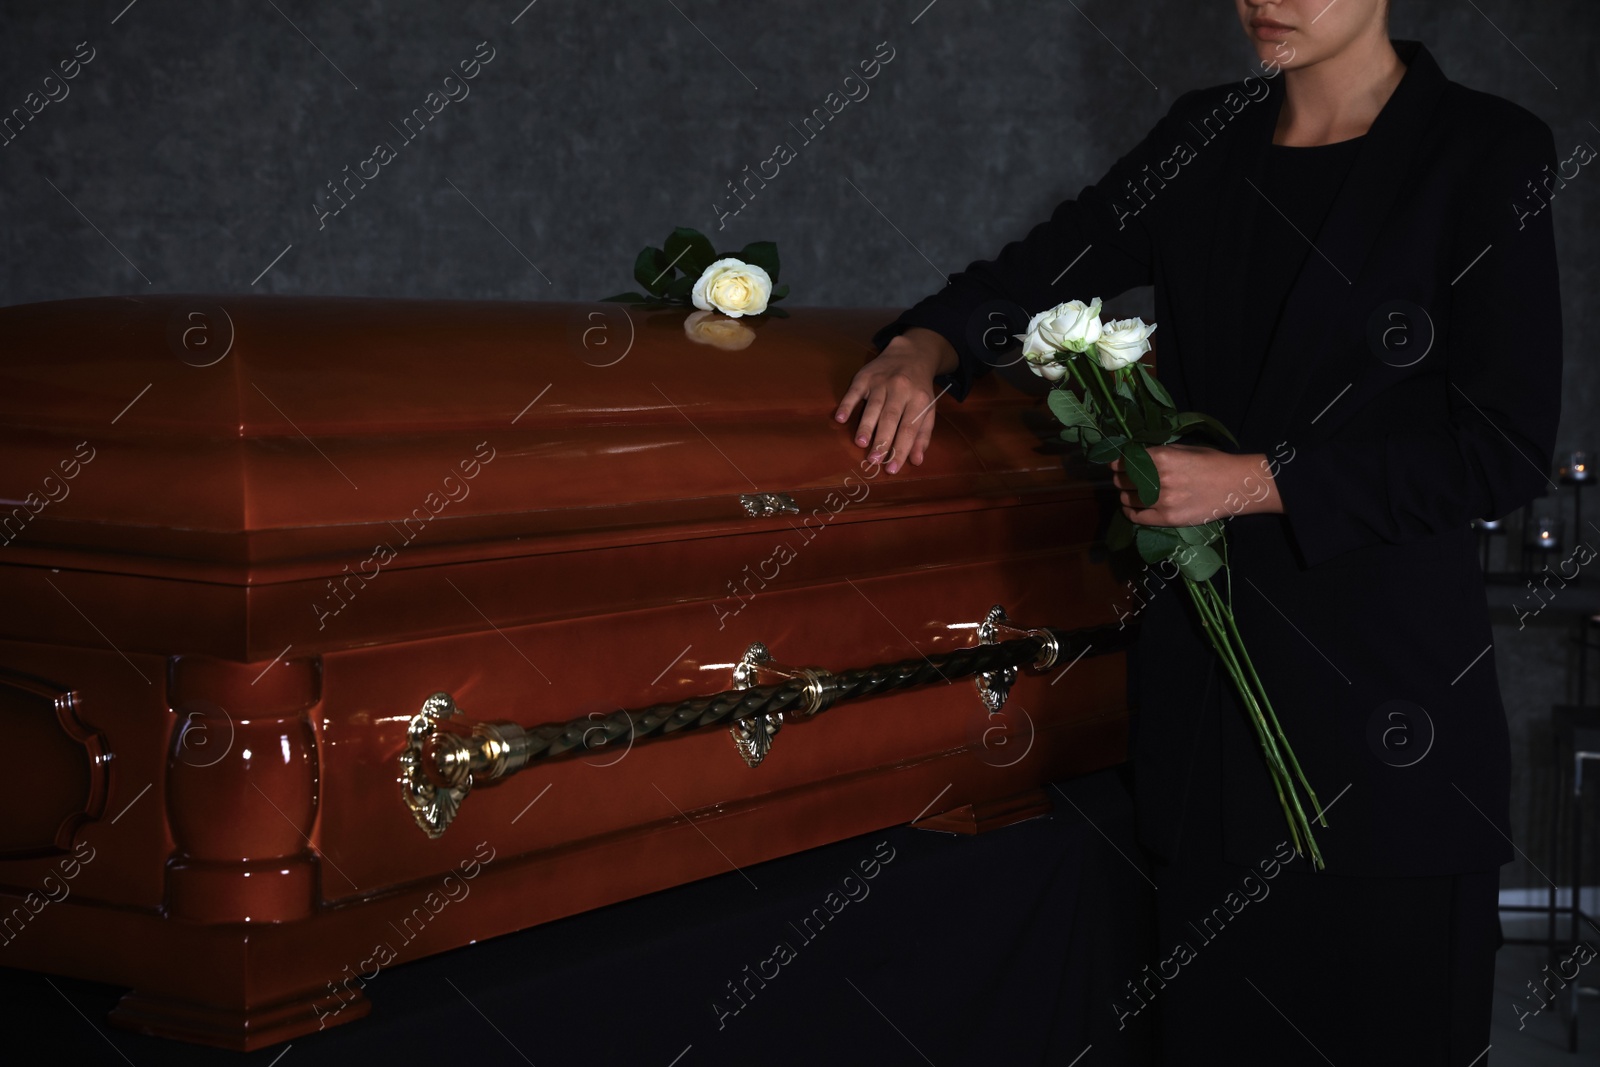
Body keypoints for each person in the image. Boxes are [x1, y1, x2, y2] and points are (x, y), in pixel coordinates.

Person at [835, 1, 1564, 1063]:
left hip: (1388, 734)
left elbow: (1499, 447)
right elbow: (1043, 264)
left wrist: (1254, 481)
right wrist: (925, 345)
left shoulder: (1488, 151)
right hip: (1205, 737)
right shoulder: (1202, 135)